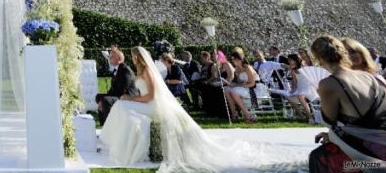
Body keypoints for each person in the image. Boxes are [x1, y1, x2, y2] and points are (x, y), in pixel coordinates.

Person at [99, 46, 308, 170]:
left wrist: (131, 100)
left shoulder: (148, 74)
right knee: (121, 107)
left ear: (138, 58)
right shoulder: (141, 72)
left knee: (122, 107)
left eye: (135, 57)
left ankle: (126, 147)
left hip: (152, 105)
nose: (134, 59)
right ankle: (119, 143)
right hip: (146, 103)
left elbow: (151, 97)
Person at [308, 35, 386, 172]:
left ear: (319, 60)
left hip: (371, 160)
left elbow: (329, 120)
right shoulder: (370, 76)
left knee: (320, 157)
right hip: (380, 145)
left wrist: (322, 96)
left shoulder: (329, 83)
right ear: (343, 52)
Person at [95, 47, 136, 125]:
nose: (109, 58)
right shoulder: (117, 70)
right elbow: (113, 89)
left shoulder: (125, 70)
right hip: (119, 95)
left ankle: (110, 125)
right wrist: (101, 99)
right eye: (109, 56)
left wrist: (104, 99)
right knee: (99, 97)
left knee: (106, 100)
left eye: (112, 57)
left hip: (128, 97)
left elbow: (121, 89)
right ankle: (103, 124)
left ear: (119, 59)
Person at [224, 51, 259, 123]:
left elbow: (252, 83)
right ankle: (234, 113)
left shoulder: (247, 67)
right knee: (226, 90)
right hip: (244, 87)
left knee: (233, 91)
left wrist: (238, 85)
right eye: (232, 59)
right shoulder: (237, 69)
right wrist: (232, 84)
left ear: (239, 59)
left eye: (233, 59)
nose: (232, 61)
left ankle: (247, 115)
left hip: (254, 88)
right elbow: (240, 82)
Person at [283, 53, 317, 124]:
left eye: (290, 60)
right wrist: (291, 90)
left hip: (309, 89)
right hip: (301, 89)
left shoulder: (304, 67)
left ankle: (310, 118)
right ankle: (301, 116)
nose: (289, 62)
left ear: (295, 60)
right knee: (288, 96)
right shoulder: (293, 70)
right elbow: (294, 83)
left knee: (300, 96)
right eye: (288, 60)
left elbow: (312, 78)